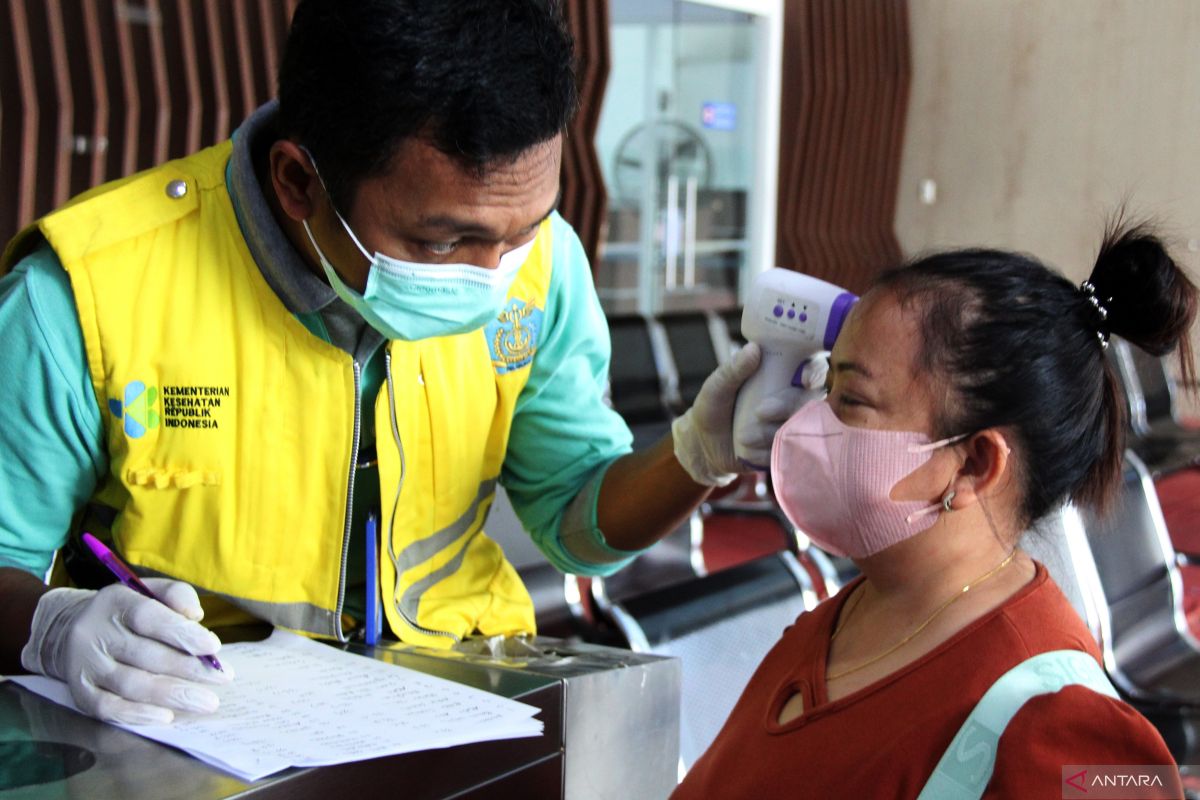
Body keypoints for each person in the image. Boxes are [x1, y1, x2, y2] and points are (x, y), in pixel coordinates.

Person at [0, 0, 781, 727]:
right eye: (442, 243)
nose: (492, 275)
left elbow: (575, 523)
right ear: (299, 181)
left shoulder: (544, 266)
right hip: (196, 725)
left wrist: (695, 457)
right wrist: (52, 626)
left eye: (522, 232)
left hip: (454, 704)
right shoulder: (85, 295)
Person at [673, 220, 1194, 799]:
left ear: (974, 464)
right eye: (826, 391)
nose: (808, 423)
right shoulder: (843, 618)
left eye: (851, 400)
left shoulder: (1068, 728)